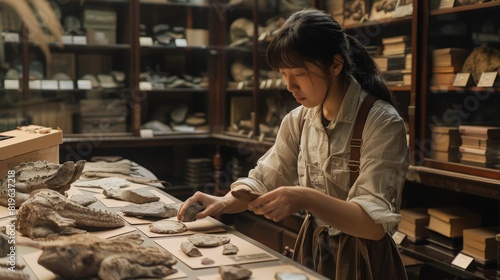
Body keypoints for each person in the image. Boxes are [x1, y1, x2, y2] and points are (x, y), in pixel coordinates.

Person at [178, 8, 409, 280]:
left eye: (298, 74)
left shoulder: (381, 122)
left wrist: (304, 196)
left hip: (364, 258)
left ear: (335, 65)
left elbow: (372, 226)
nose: (289, 86)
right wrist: (223, 202)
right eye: (283, 73)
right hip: (313, 245)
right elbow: (266, 178)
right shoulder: (299, 120)